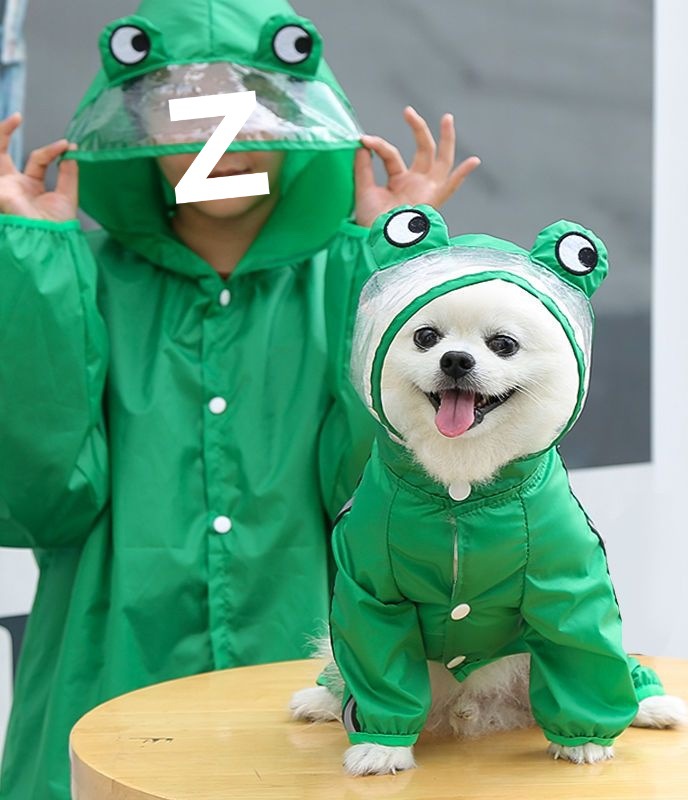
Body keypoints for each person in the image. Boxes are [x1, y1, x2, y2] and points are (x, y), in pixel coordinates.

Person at [0, 1, 479, 797]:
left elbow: (379, 498)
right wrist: (33, 269)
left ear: (298, 119)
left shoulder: (347, 277)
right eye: (183, 107)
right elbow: (44, 501)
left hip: (313, 698)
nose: (218, 139)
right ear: (136, 126)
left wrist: (390, 265)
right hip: (106, 688)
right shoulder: (76, 279)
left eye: (252, 103)